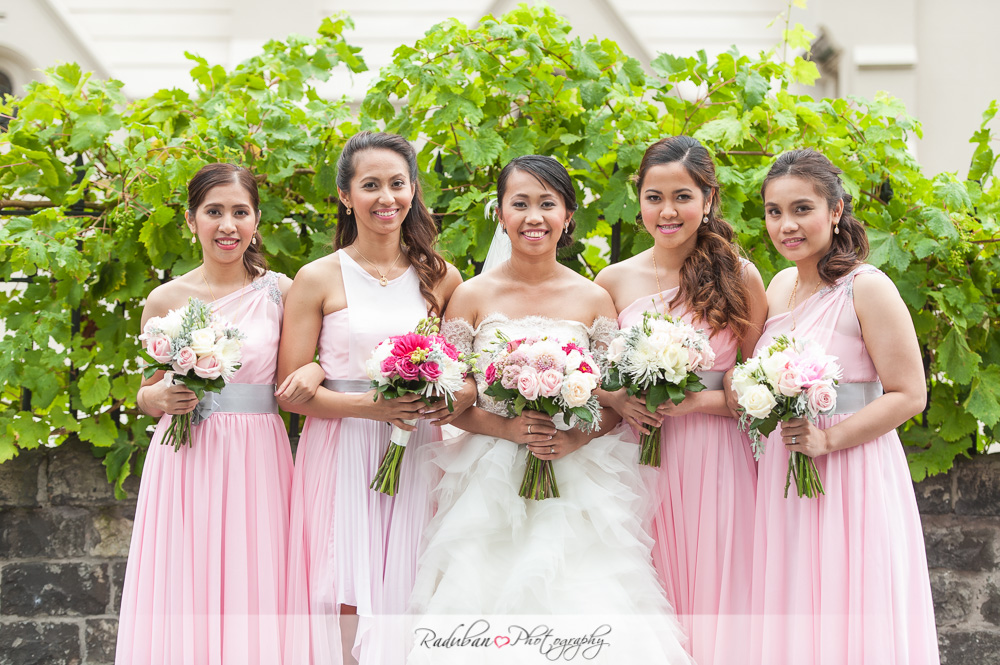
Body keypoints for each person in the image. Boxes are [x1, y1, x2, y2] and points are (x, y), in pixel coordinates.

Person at [407, 155, 693, 664]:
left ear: (567, 216)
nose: (533, 217)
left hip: (577, 475)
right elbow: (450, 397)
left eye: (547, 204)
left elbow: (613, 399)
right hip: (487, 478)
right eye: (519, 204)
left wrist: (576, 437)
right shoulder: (471, 296)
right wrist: (507, 430)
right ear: (500, 213)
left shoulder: (593, 298)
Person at [116, 163, 322, 665]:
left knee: (257, 571)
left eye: (240, 212)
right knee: (187, 575)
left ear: (256, 220)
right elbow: (144, 393)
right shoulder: (166, 298)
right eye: (214, 212)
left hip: (258, 453)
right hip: (185, 458)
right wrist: (160, 398)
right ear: (192, 220)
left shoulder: (282, 291)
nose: (228, 225)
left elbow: (313, 361)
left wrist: (315, 370)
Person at [279, 131, 468, 665]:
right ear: (346, 195)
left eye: (397, 184)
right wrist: (369, 406)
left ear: (413, 190)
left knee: (412, 583)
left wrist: (439, 399)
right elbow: (290, 391)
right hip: (341, 445)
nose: (387, 198)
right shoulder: (318, 277)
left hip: (418, 446)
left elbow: (460, 374)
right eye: (370, 185)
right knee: (342, 584)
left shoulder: (442, 278)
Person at [746, 149, 939, 664]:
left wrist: (828, 439)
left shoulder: (867, 287)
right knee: (795, 605)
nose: (786, 225)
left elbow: (909, 394)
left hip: (851, 469)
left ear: (835, 211)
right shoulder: (780, 286)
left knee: (851, 602)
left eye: (801, 209)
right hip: (786, 466)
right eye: (774, 212)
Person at [595, 136, 767, 665]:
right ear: (639, 200)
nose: (667, 211)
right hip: (637, 457)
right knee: (648, 590)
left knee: (719, 589)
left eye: (682, 197)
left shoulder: (740, 276)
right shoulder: (612, 281)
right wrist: (620, 399)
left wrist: (697, 403)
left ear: (708, 199)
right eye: (654, 197)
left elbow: (759, 385)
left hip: (718, 459)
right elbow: (595, 377)